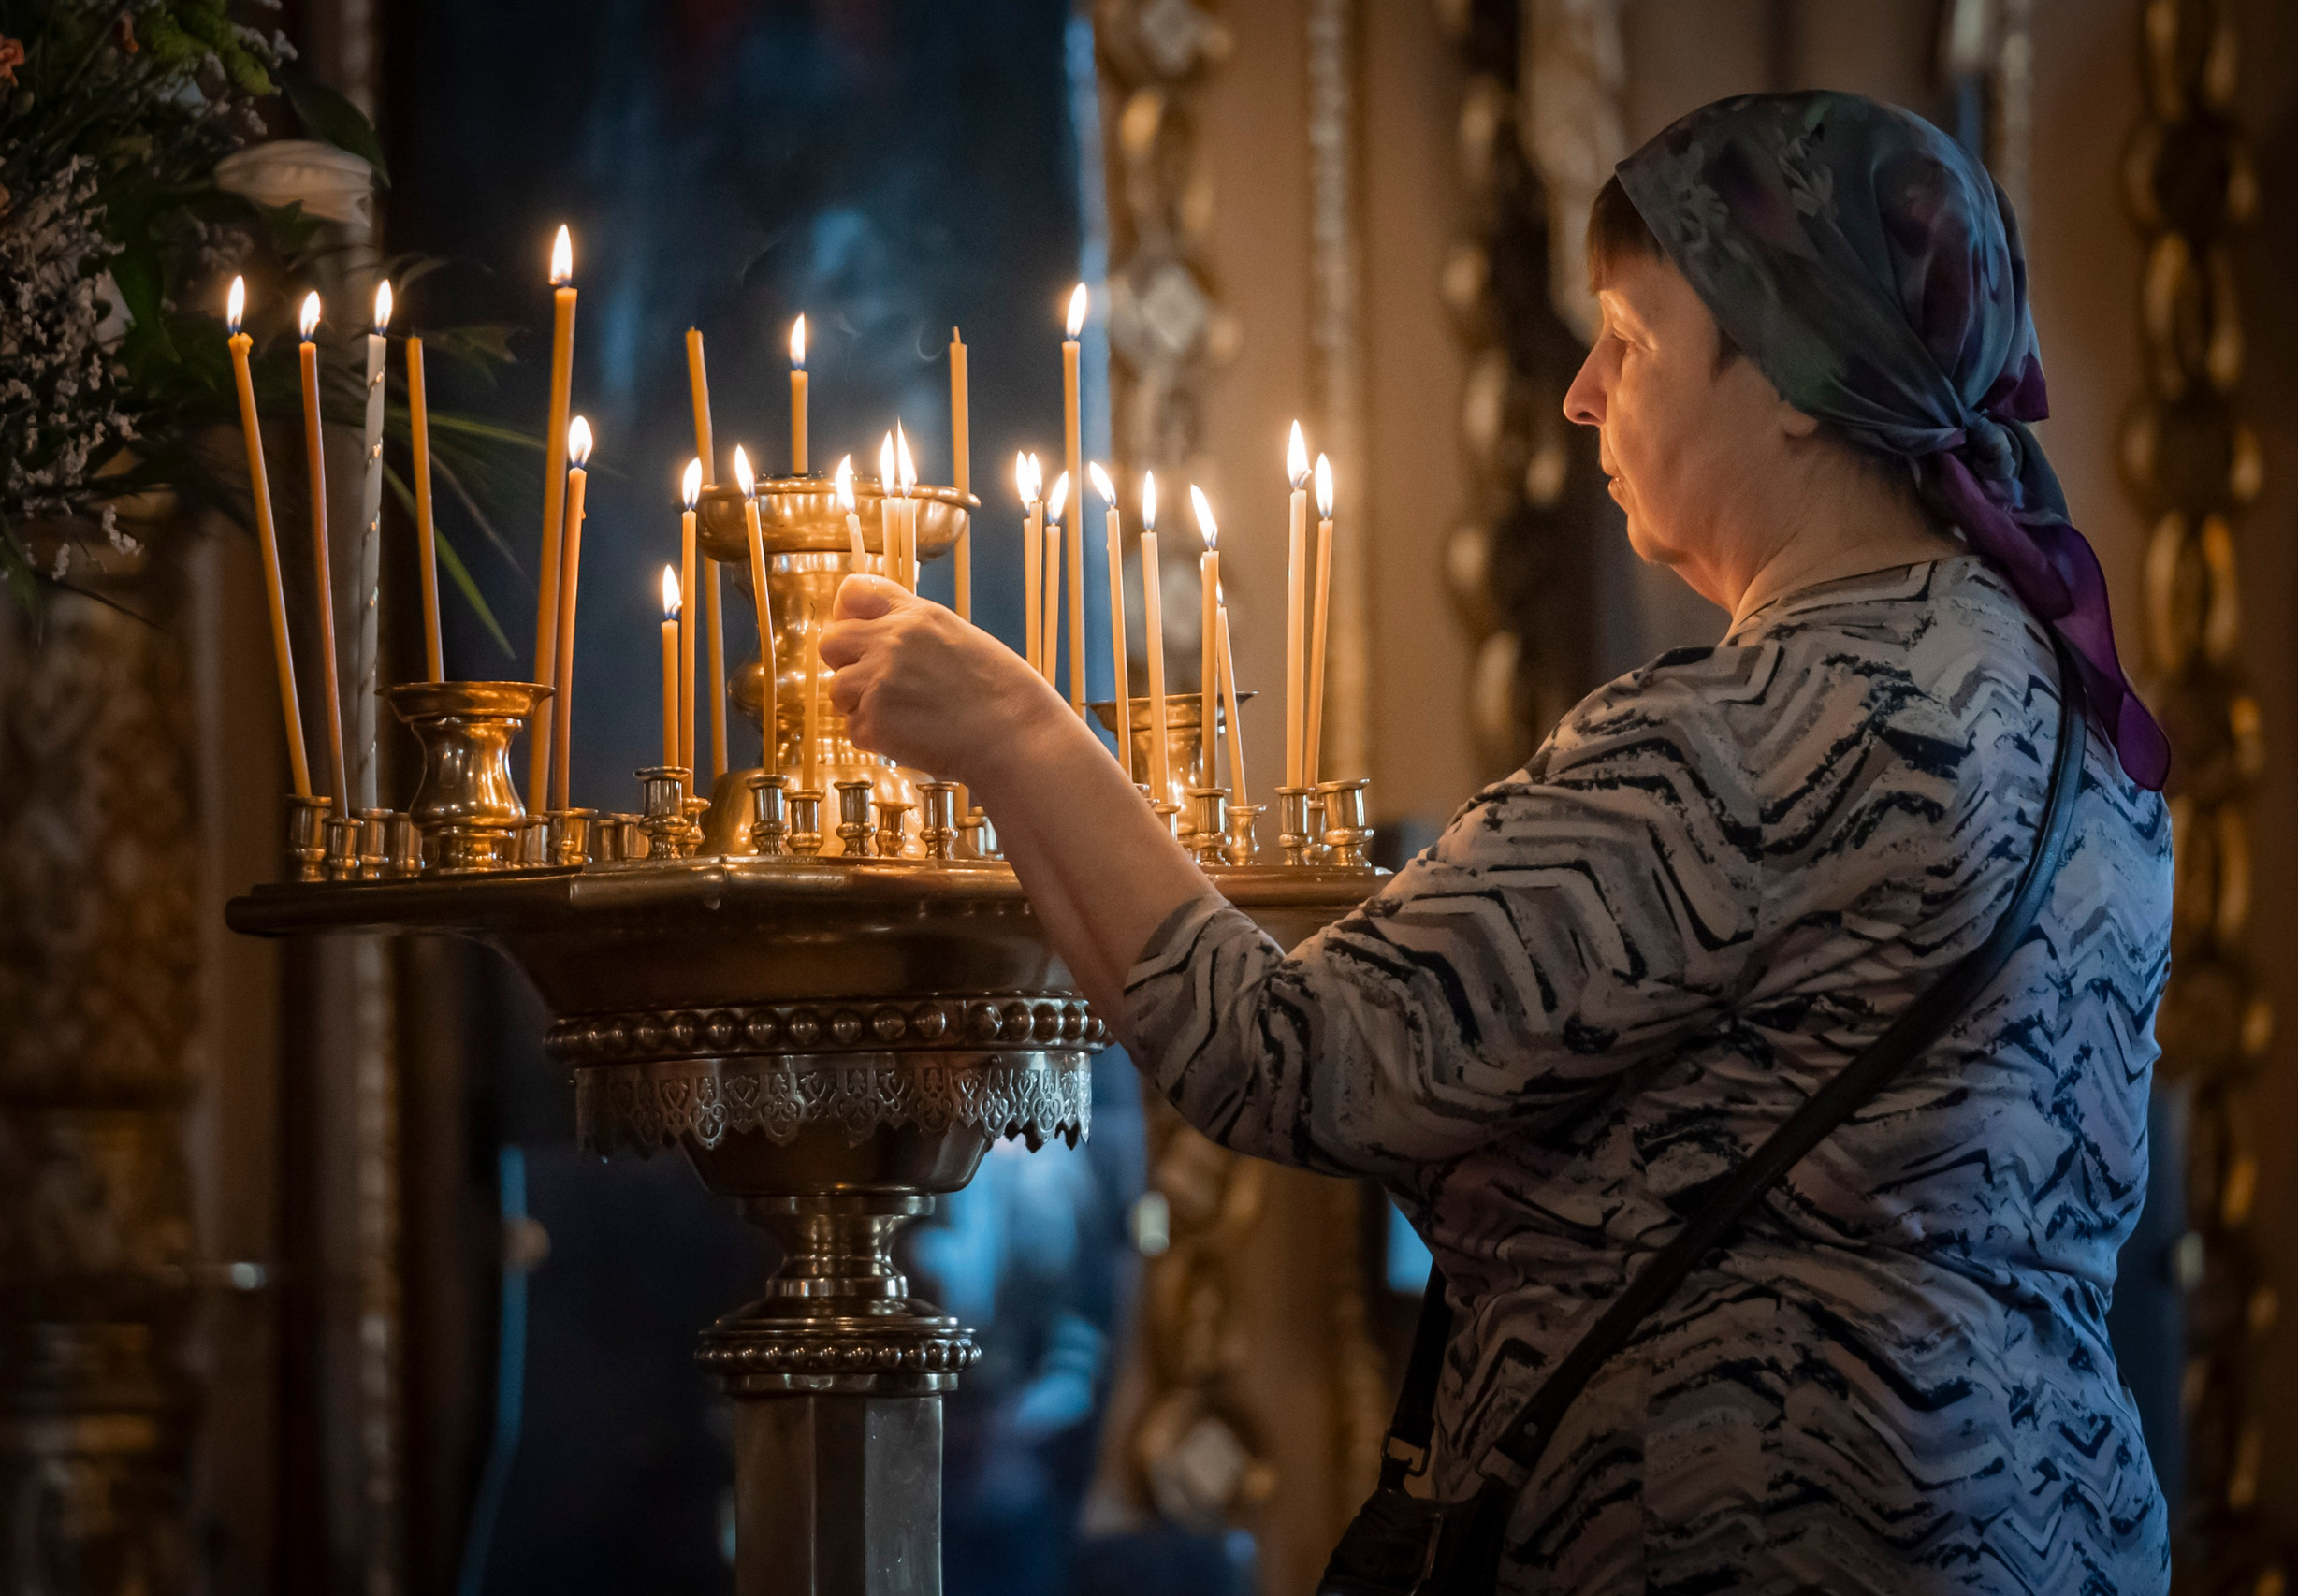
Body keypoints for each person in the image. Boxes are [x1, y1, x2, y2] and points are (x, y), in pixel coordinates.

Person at [821, 91, 2172, 1593]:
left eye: (1634, 342)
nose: (1586, 394)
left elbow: (1291, 1054)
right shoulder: (2080, 724)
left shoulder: (1755, 736)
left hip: (1762, 1534)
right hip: (2059, 1530)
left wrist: (1015, 732)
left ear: (1793, 378)